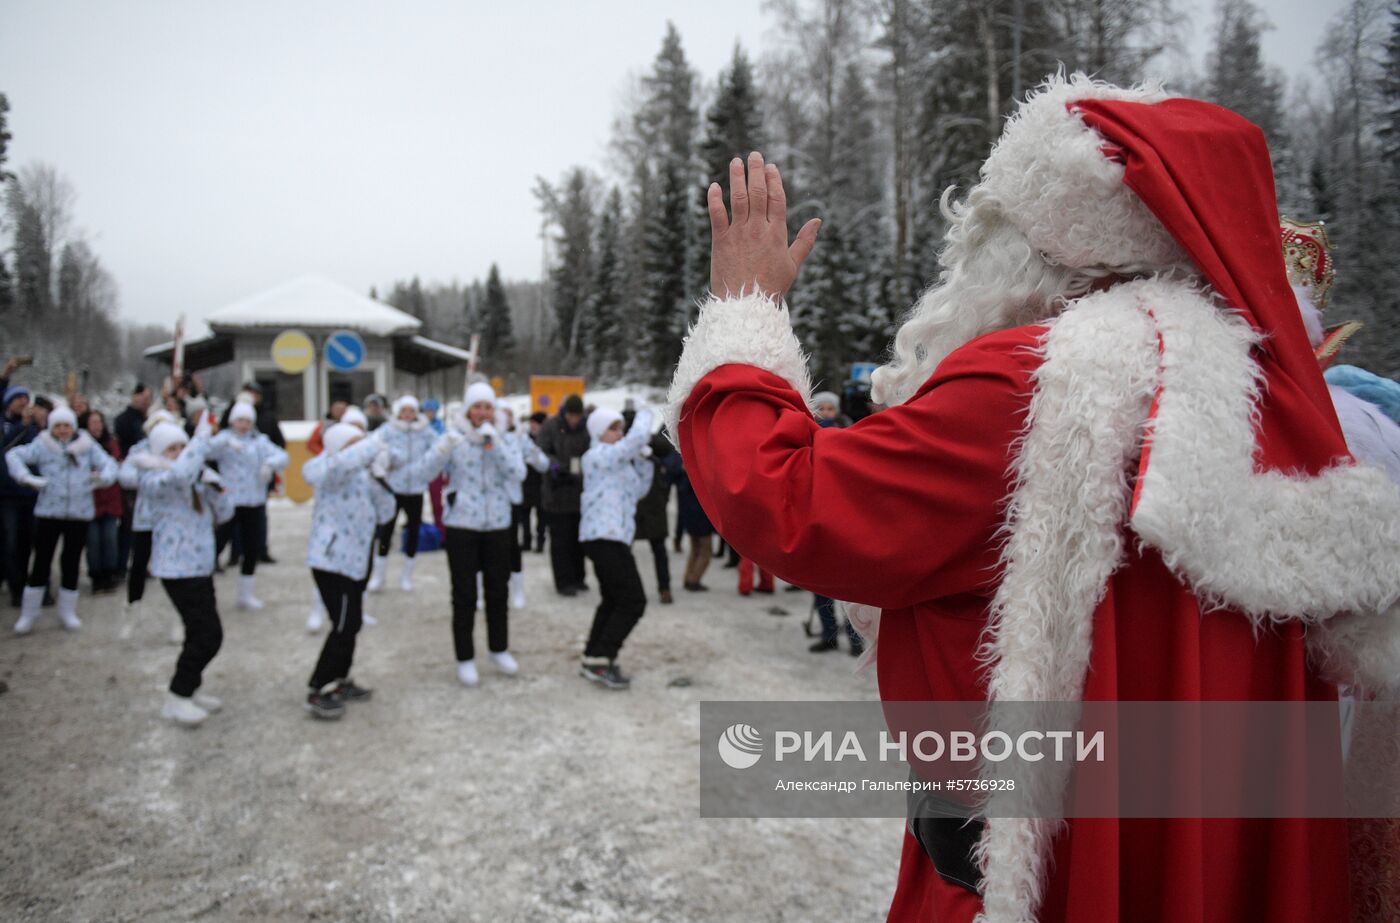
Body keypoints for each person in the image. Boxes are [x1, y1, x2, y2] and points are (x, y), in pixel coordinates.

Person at [665, 78, 1400, 922]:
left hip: (1031, 876)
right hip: (1211, 859)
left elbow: (786, 496)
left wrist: (744, 308)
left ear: (1037, 245)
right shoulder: (1273, 398)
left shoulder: (1041, 383)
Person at [416, 383, 526, 687]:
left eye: (487, 407)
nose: (482, 413)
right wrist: (441, 450)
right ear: (467, 410)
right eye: (477, 407)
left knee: (497, 591)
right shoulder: (455, 438)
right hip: (463, 525)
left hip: (498, 525)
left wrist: (496, 443)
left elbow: (518, 473)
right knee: (464, 595)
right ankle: (465, 657)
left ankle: (498, 648)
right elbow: (424, 474)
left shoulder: (504, 437)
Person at [139, 419, 234, 726]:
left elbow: (226, 512)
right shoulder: (154, 477)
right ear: (159, 452)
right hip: (176, 568)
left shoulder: (194, 477)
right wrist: (200, 441)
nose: (180, 453)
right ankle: (177, 695)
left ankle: (190, 689)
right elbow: (178, 475)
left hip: (200, 565)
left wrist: (215, 488)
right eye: (172, 448)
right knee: (209, 635)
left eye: (182, 446)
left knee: (198, 632)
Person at [6, 406, 118, 633]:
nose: (62, 430)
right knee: (41, 562)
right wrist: (27, 478)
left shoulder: (86, 446)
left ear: (74, 427)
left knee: (71, 561)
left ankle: (67, 611)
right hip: (49, 512)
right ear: (51, 427)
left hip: (79, 513)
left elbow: (109, 463)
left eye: (66, 425)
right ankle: (29, 613)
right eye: (57, 426)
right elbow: (13, 454)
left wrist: (102, 479)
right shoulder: (43, 444)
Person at [301, 421, 385, 719]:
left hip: (357, 560)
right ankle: (318, 686)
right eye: (353, 445)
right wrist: (376, 440)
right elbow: (338, 467)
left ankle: (339, 680)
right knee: (343, 624)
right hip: (332, 560)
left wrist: (381, 479)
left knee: (351, 623)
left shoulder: (362, 475)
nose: (359, 452)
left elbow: (385, 512)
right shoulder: (326, 469)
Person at [577, 406, 654, 689]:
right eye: (614, 428)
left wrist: (644, 462)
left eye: (622, 427)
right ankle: (601, 657)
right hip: (603, 537)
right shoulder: (596, 456)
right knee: (634, 601)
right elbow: (631, 443)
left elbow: (639, 491)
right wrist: (644, 413)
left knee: (612, 600)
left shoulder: (619, 462)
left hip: (616, 537)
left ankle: (592, 656)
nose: (620, 433)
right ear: (599, 432)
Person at [209, 401, 289, 610]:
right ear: (233, 421)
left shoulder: (259, 441)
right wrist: (224, 444)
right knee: (218, 543)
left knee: (252, 547)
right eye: (240, 420)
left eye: (247, 421)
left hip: (254, 501)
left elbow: (282, 455)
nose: (244, 425)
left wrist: (269, 464)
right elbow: (204, 451)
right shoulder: (224, 439)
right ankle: (206, 589)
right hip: (230, 502)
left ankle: (245, 593)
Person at [369, 395, 434, 592]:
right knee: (386, 530)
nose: (407, 415)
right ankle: (379, 574)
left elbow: (437, 452)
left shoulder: (425, 431)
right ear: (399, 412)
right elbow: (375, 445)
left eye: (411, 411)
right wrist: (387, 458)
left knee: (413, 529)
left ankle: (407, 575)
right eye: (404, 411)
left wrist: (424, 468)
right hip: (392, 487)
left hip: (415, 488)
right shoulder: (388, 430)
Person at [537, 393, 590, 595]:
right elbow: (541, 452)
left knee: (579, 540)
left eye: (577, 416)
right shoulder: (550, 426)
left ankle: (578, 577)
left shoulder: (586, 429)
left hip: (579, 494)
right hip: (556, 494)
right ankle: (563, 581)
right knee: (561, 541)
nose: (573, 420)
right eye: (570, 416)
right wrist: (556, 468)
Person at [497, 404, 550, 609]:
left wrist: (535, 456)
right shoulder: (486, 437)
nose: (506, 419)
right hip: (488, 502)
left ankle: (517, 589)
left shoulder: (520, 438)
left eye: (509, 415)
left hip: (512, 499)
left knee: (512, 546)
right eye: (503, 415)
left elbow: (543, 464)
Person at [1, 384, 41, 607]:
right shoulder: (5, 425)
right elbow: (5, 448)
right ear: (9, 402)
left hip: (30, 493)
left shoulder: (34, 428)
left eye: (26, 399)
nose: (23, 403)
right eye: (18, 399)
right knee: (11, 541)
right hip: (7, 494)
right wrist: (22, 427)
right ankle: (16, 587)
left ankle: (27, 583)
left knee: (27, 542)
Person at [79, 410, 124, 594]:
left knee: (110, 539)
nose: (97, 425)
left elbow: (117, 463)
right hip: (89, 500)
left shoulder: (111, 443)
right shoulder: (81, 445)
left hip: (110, 498)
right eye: (93, 422)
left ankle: (110, 573)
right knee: (93, 541)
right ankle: (96, 576)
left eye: (99, 421)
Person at [632, 431, 675, 604]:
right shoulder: (623, 443)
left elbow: (667, 448)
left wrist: (647, 439)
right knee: (624, 552)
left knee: (659, 551)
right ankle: (630, 589)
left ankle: (664, 588)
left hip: (653, 506)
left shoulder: (653, 444)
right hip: (632, 505)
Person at [522, 411, 549, 552]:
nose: (533, 426)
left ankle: (540, 542)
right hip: (526, 482)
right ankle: (526, 541)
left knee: (542, 516)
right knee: (524, 515)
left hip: (542, 484)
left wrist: (553, 469)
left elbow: (553, 461)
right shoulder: (525, 439)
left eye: (536, 423)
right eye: (531, 423)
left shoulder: (548, 440)